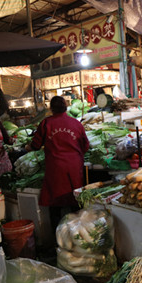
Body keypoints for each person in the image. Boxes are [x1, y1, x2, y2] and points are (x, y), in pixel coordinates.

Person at [26, 96, 89, 231]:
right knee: (76, 200)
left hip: (55, 167)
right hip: (74, 167)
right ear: (66, 107)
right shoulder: (76, 123)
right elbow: (86, 145)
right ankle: (80, 234)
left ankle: (59, 238)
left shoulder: (46, 123)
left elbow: (36, 145)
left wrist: (27, 147)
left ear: (51, 108)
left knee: (55, 204)